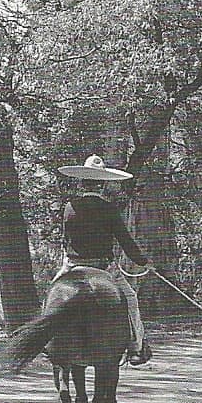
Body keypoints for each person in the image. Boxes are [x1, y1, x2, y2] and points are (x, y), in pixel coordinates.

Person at [55, 155, 152, 363]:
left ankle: (49, 342)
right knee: (131, 299)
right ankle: (136, 346)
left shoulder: (69, 207)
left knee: (51, 295)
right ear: (102, 185)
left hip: (72, 265)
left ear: (82, 182)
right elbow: (125, 241)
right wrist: (143, 261)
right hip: (104, 268)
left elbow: (65, 239)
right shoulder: (109, 209)